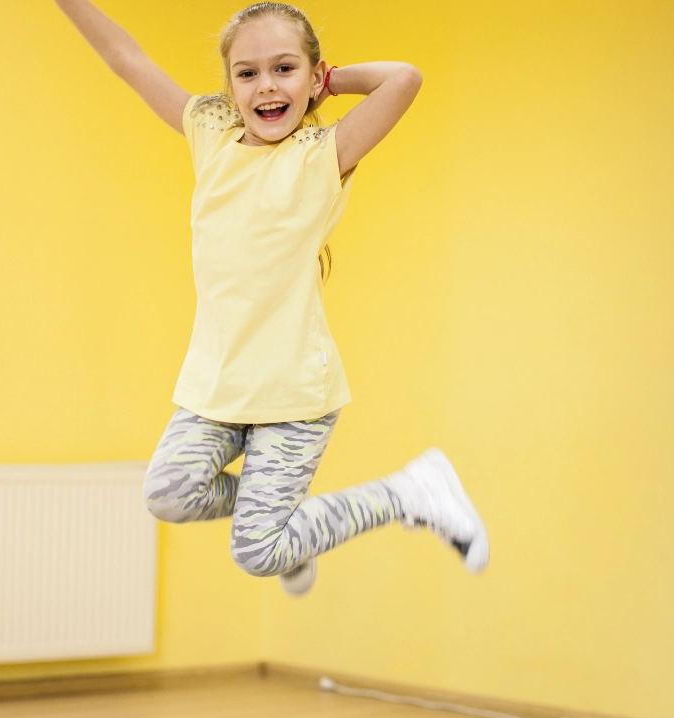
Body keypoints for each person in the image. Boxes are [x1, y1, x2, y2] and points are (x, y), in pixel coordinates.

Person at [54, 0, 489, 595]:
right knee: (168, 493)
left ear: (312, 77)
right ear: (229, 85)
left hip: (292, 395)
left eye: (284, 68)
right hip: (219, 387)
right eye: (247, 72)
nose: (266, 86)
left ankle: (409, 491)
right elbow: (124, 58)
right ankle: (294, 529)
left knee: (257, 551)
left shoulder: (321, 157)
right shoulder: (210, 132)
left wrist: (327, 85)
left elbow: (403, 79)